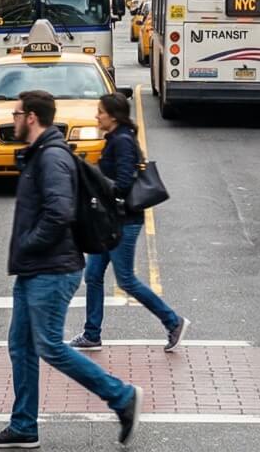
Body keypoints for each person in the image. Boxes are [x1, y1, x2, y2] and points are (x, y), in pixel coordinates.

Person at [0, 89, 139, 449]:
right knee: (21, 346)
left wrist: (28, 243)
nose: (14, 120)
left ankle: (122, 396)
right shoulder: (42, 153)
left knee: (49, 346)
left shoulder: (51, 157)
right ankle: (23, 426)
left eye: (17, 114)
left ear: (32, 117)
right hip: (35, 268)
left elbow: (60, 212)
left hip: (51, 268)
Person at [71, 93, 186, 353]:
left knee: (125, 280)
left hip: (123, 220)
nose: (96, 116)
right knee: (93, 275)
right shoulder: (117, 138)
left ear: (113, 115)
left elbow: (123, 183)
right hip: (110, 220)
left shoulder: (122, 141)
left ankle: (172, 321)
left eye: (100, 111)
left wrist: (97, 185)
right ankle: (92, 334)